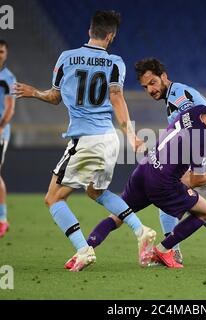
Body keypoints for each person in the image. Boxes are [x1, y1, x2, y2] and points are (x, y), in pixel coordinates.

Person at [86, 58, 206, 264]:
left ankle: (172, 251)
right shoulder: (179, 97)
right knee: (186, 202)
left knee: (173, 203)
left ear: (164, 77)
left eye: (152, 83)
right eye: (145, 87)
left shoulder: (179, 98)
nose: (150, 90)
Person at [13, 11, 156, 271]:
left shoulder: (66, 59)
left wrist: (34, 93)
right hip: (109, 140)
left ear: (90, 31)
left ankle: (83, 249)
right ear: (111, 36)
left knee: (53, 199)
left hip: (85, 141)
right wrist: (131, 135)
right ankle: (140, 229)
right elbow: (116, 98)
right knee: (96, 191)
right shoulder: (115, 62)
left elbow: (54, 97)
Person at [89, 101, 206, 268]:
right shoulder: (203, 142)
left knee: (118, 216)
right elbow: (195, 180)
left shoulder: (196, 111)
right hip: (163, 185)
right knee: (205, 211)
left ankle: (85, 249)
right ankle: (163, 250)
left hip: (144, 169)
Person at [0, 40, 16, 238]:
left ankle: (3, 219)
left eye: (2, 51)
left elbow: (10, 108)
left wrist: (1, 127)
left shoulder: (8, 78)